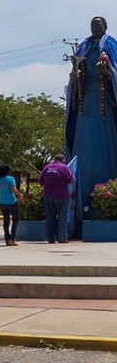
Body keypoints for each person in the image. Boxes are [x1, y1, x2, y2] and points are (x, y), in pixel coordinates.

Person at [65, 16, 117, 224]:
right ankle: (78, 210)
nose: (95, 28)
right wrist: (76, 75)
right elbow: (74, 75)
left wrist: (108, 73)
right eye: (92, 25)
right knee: (83, 150)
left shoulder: (112, 45)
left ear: (105, 27)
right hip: (85, 106)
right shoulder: (84, 47)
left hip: (105, 105)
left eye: (98, 25)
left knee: (106, 148)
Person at [38, 154, 76, 244]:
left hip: (48, 194)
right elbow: (72, 180)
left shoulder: (47, 167)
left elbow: (40, 181)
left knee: (50, 217)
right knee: (63, 217)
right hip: (62, 195)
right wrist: (73, 191)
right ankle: (62, 238)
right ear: (62, 159)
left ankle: (50, 238)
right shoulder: (64, 167)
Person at [0, 164, 26, 246]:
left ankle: (7, 239)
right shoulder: (10, 179)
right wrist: (20, 195)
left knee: (6, 221)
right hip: (11, 202)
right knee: (15, 220)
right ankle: (12, 239)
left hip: (2, 202)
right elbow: (14, 190)